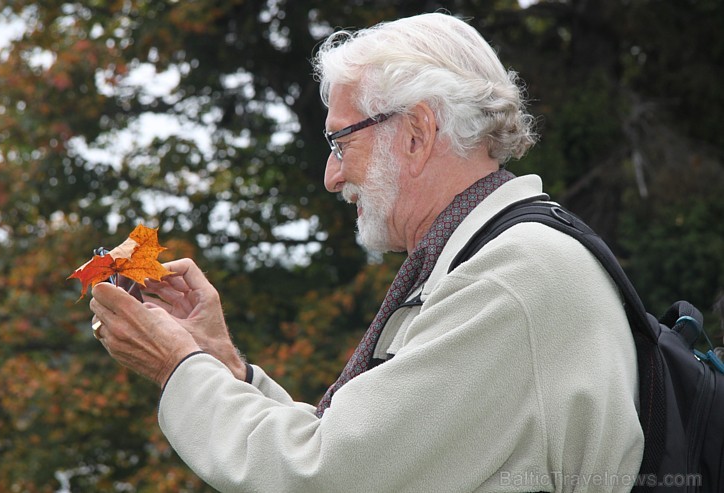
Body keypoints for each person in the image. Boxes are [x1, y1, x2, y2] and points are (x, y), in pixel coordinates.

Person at [89, 12, 644, 492]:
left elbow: (325, 478)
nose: (331, 177)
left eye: (340, 142)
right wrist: (221, 364)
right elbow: (361, 455)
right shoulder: (495, 258)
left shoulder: (508, 279)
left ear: (418, 132)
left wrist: (177, 368)